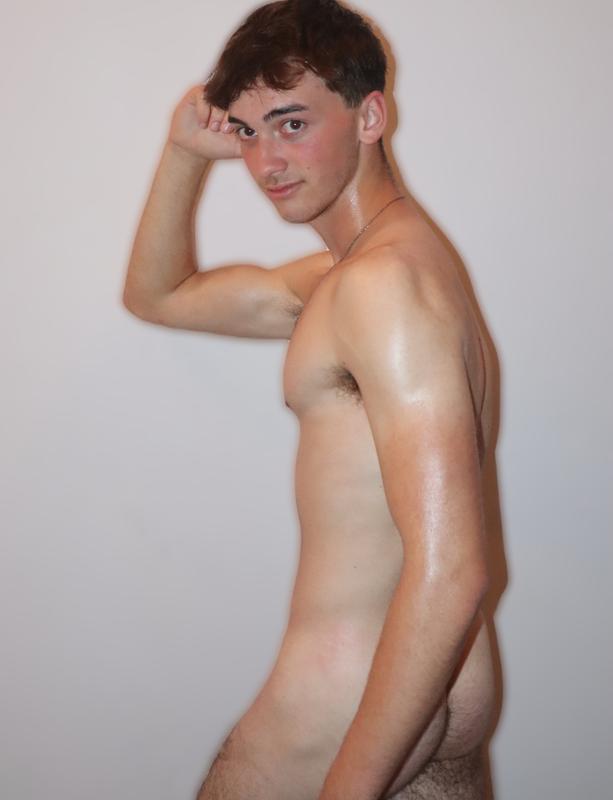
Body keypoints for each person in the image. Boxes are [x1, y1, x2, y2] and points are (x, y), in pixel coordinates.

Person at [123, 1, 497, 797]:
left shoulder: (380, 288)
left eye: (291, 124)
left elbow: (454, 568)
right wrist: (184, 151)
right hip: (432, 680)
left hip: (349, 700)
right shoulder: (366, 273)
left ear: (370, 117)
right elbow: (159, 296)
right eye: (248, 132)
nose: (265, 162)